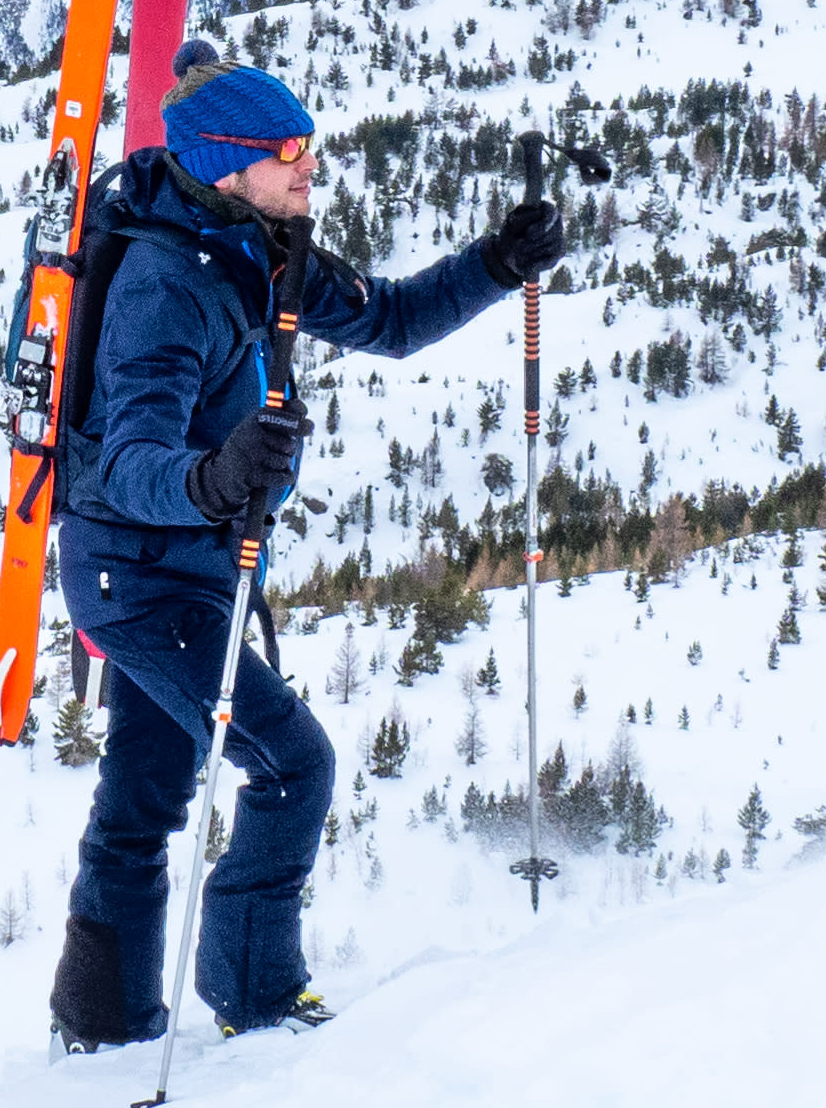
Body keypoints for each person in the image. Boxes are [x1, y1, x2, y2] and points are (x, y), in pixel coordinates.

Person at [45, 57, 565, 1047]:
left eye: (310, 147)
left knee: (144, 794)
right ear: (229, 164)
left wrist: (498, 263)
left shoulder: (260, 246)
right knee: (291, 765)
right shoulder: (164, 286)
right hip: (138, 578)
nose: (309, 166)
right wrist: (213, 476)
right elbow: (130, 457)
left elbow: (391, 318)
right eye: (289, 153)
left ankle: (101, 1025)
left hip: (183, 569)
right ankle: (257, 999)